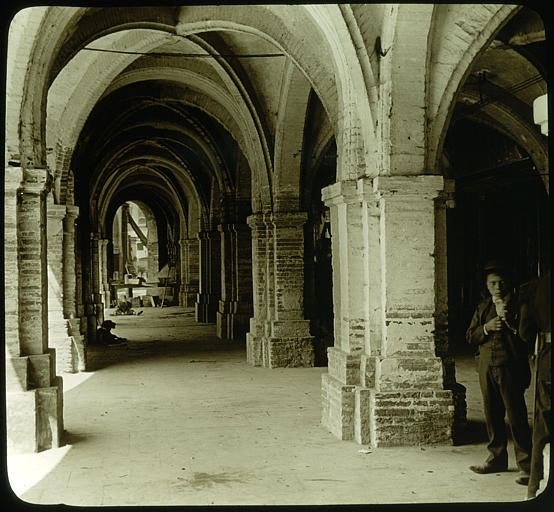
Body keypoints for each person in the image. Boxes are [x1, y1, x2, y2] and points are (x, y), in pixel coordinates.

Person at [466, 260, 534, 486]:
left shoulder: (519, 305)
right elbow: (470, 336)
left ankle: (526, 466)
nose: (497, 286)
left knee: (516, 416)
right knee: (492, 414)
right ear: (487, 286)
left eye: (501, 282)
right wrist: (486, 328)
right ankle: (496, 459)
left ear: (509, 284)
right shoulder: (483, 307)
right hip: (486, 367)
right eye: (492, 283)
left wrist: (509, 319)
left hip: (510, 367)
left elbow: (526, 336)